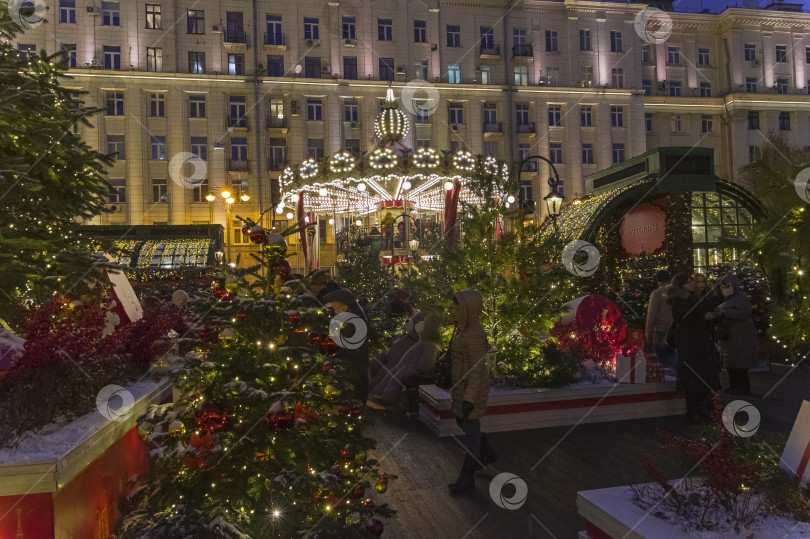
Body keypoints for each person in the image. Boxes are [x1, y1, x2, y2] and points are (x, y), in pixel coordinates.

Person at [447, 289, 496, 494]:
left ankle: (467, 476)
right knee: (464, 423)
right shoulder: (461, 328)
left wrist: (469, 398)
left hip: (471, 388)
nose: (452, 310)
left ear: (467, 309)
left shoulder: (474, 333)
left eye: (456, 307)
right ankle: (487, 454)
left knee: (472, 429)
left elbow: (477, 369)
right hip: (461, 386)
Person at [666, 273, 722, 424]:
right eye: (688, 282)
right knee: (694, 379)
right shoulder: (680, 300)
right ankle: (694, 412)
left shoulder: (690, 298)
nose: (691, 283)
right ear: (680, 284)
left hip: (697, 342)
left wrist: (706, 318)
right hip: (690, 344)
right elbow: (692, 314)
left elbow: (695, 314)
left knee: (700, 378)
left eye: (692, 281)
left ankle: (699, 410)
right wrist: (719, 298)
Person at [371, 314, 442, 406]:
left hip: (408, 368)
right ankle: (379, 392)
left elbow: (425, 364)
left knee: (395, 382)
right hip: (402, 365)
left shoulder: (430, 346)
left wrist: (416, 368)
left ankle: (387, 398)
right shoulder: (422, 341)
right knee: (390, 376)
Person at [323, 288, 371, 407]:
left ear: (343, 308)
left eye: (332, 306)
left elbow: (345, 348)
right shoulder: (351, 316)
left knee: (354, 398)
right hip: (356, 370)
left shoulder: (351, 323)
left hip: (353, 371)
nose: (329, 309)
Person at [716, 274, 758, 396]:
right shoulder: (723, 298)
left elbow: (745, 312)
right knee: (731, 363)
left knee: (740, 365)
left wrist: (725, 313)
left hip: (740, 334)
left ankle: (743, 388)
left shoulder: (740, 297)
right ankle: (734, 385)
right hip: (729, 334)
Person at [369, 311, 425, 382]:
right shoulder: (406, 335)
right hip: (390, 353)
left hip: (394, 358)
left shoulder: (416, 343)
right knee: (377, 363)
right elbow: (390, 343)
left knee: (384, 369)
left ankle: (374, 383)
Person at [645, 270, 676, 369]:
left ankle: (666, 377)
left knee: (663, 360)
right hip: (675, 328)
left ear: (658, 281)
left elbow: (651, 315)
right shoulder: (678, 292)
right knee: (674, 356)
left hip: (661, 329)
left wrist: (648, 334)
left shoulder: (657, 294)